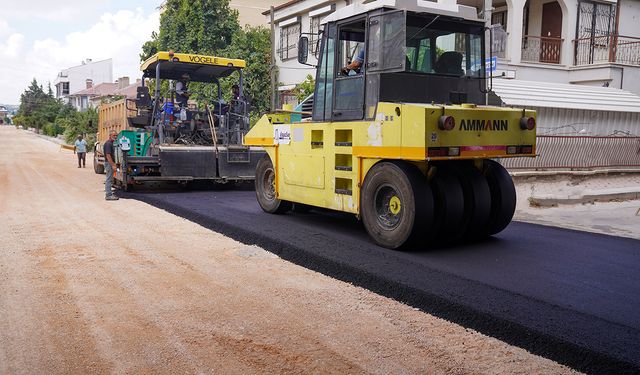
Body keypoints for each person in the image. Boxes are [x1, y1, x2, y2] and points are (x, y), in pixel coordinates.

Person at [103, 131, 119, 201]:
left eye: (116, 135)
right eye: (114, 135)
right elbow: (108, 155)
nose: (115, 137)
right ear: (110, 136)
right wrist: (113, 165)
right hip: (109, 163)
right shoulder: (108, 144)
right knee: (109, 179)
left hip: (110, 163)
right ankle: (108, 195)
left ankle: (109, 193)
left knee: (110, 179)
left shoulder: (111, 143)